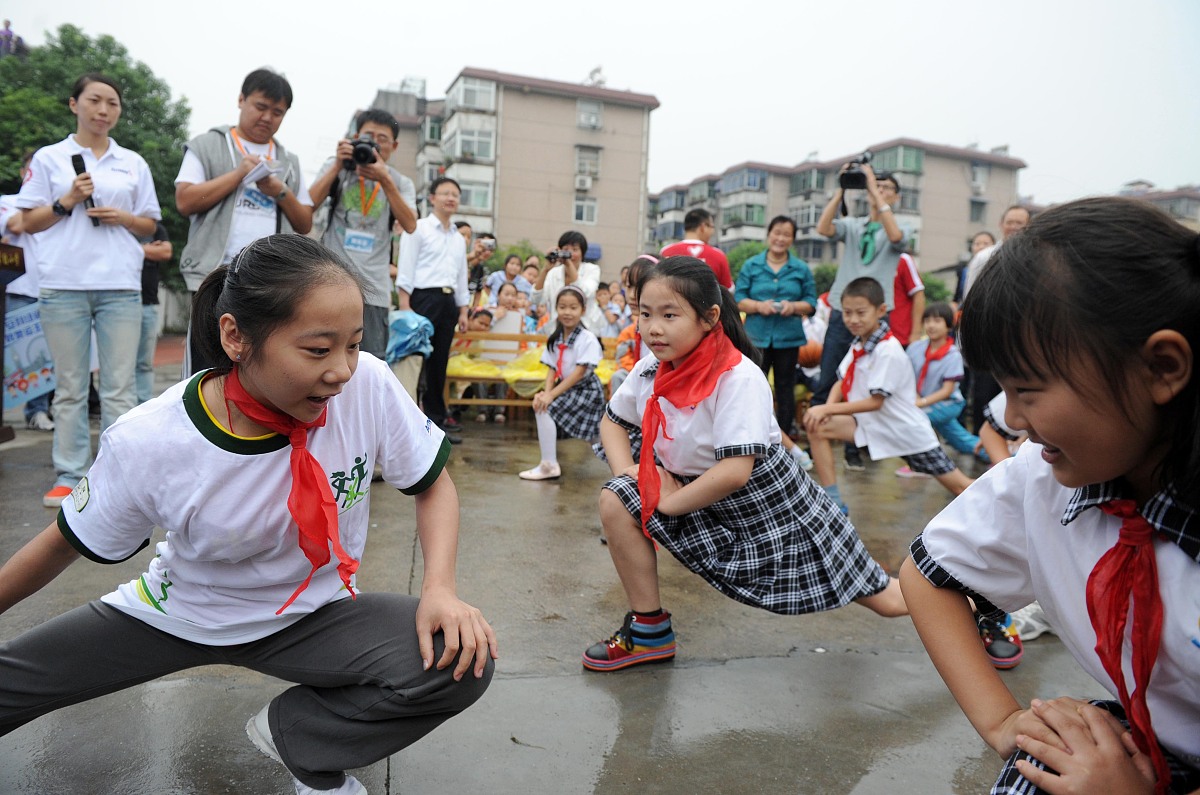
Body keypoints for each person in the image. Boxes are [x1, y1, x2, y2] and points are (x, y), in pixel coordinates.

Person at [0, 234, 496, 795]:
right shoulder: (150, 439)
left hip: (311, 614)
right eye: (317, 350)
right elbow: (60, 543)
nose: (342, 371)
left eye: (354, 345)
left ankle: (302, 742)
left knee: (460, 656)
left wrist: (441, 589)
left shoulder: (369, 388)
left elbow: (434, 485)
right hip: (180, 611)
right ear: (235, 336)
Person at [900, 196, 1200, 795]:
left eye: (1029, 389)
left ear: (1162, 367)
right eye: (1003, 389)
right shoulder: (1043, 479)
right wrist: (1002, 720)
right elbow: (926, 576)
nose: (1012, 419)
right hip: (1148, 745)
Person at [583, 257, 906, 672]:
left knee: (883, 598)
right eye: (644, 314)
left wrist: (665, 502)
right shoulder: (650, 369)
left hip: (773, 509)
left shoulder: (738, 377)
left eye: (669, 315)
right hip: (693, 493)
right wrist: (630, 473)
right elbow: (613, 421)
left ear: (709, 317)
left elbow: (735, 471)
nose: (653, 328)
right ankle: (649, 633)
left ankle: (980, 609)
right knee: (617, 498)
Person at [15, 73, 162, 508]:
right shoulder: (49, 158)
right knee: (71, 386)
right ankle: (70, 472)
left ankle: (117, 472)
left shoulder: (132, 161)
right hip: (64, 283)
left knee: (120, 386)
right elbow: (26, 221)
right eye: (94, 101)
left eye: (112, 103)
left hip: (119, 283)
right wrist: (66, 201)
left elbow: (150, 223)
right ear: (74, 104)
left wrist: (125, 218)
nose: (103, 110)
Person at [176, 68, 313, 376]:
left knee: (260, 365)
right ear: (241, 100)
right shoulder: (208, 145)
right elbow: (185, 200)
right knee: (205, 368)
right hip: (212, 276)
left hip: (268, 281)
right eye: (260, 107)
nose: (267, 117)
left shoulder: (288, 160)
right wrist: (239, 175)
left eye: (277, 112)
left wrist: (279, 191)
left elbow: (304, 222)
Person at [803, 278, 973, 515]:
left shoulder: (888, 350)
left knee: (959, 486)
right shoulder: (859, 345)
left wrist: (826, 410)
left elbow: (876, 402)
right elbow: (841, 382)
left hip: (905, 431)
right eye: (848, 313)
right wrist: (826, 410)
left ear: (881, 310)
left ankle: (1003, 510)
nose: (853, 319)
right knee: (816, 426)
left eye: (861, 312)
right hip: (873, 426)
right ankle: (834, 502)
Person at [308, 108, 417, 359]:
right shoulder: (338, 167)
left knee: (371, 363)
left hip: (374, 290)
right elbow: (308, 205)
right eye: (369, 136)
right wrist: (337, 164)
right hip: (330, 283)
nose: (374, 144)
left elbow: (410, 225)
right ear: (356, 136)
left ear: (395, 146)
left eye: (383, 139)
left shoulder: (401, 182)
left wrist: (385, 180)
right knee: (324, 357)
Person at [811, 166, 910, 409]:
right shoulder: (854, 225)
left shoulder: (901, 227)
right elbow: (823, 229)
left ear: (896, 197)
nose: (879, 189)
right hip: (841, 307)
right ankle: (821, 421)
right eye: (876, 185)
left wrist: (875, 194)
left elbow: (896, 237)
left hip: (874, 311)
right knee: (830, 372)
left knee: (866, 376)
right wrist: (841, 189)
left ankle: (855, 443)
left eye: (886, 187)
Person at [396, 177, 470, 440]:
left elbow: (462, 275)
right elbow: (406, 266)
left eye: (455, 194)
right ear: (432, 198)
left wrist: (463, 310)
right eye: (445, 193)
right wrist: (405, 304)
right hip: (423, 298)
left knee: (439, 362)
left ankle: (437, 422)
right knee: (417, 361)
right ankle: (409, 421)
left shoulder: (459, 238)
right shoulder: (418, 228)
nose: (451, 198)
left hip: (449, 302)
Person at [734, 215, 817, 437]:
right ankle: (752, 432)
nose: (780, 238)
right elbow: (738, 298)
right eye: (777, 233)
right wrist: (759, 306)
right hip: (756, 336)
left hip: (788, 337)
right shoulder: (752, 265)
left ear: (793, 239)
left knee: (785, 387)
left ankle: (783, 436)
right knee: (753, 384)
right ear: (769, 234)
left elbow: (811, 303)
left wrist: (794, 306)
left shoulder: (801, 269)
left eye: (786, 234)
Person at [519, 286, 606, 481]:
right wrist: (545, 394)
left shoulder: (587, 338)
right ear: (556, 309)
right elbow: (551, 370)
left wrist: (551, 396)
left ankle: (624, 466)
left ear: (583, 310)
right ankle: (548, 464)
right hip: (566, 387)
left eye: (573, 307)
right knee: (543, 406)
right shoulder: (555, 338)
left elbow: (579, 373)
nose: (567, 312)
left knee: (597, 432)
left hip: (586, 390)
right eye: (562, 307)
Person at [962, 206, 1031, 433]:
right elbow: (970, 299)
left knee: (1014, 390)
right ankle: (980, 441)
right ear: (1001, 224)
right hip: (987, 336)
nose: (1013, 227)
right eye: (1010, 221)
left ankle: (1012, 441)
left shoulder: (1035, 259)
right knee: (983, 391)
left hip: (1020, 339)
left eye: (1019, 223)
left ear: (1029, 226)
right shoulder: (984, 257)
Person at [898, 302, 985, 473]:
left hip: (948, 404)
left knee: (914, 421)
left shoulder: (952, 355)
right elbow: (906, 376)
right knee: (962, 440)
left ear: (948, 325)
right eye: (928, 320)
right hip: (923, 403)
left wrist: (919, 403)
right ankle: (999, 454)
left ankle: (919, 467)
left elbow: (947, 391)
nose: (931, 325)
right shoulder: (916, 348)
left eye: (937, 320)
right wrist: (915, 397)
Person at [2, 152, 54, 431]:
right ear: (24, 173)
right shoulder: (7, 203)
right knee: (10, 355)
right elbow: (16, 224)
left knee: (42, 356)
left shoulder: (60, 205)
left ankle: (38, 411)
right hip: (17, 289)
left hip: (50, 287)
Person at [530, 231, 603, 330]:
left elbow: (585, 292)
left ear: (583, 253)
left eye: (575, 249)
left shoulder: (592, 270)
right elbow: (536, 299)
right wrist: (545, 269)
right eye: (566, 249)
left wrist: (568, 264)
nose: (570, 253)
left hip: (586, 327)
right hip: (557, 329)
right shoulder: (554, 273)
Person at [135, 221, 172, 404]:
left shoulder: (155, 228)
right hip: (119, 303)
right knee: (119, 365)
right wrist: (147, 249)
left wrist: (134, 249)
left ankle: (142, 405)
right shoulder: (115, 226)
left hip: (148, 303)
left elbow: (165, 252)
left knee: (144, 362)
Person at [659, 208, 732, 289]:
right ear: (703, 227)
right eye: (712, 227)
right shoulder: (718, 255)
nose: (713, 232)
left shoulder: (666, 252)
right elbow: (727, 290)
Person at [889, 252, 925, 347]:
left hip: (902, 337)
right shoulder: (867, 256)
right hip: (876, 338)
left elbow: (918, 294)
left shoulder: (903, 259)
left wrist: (916, 333)